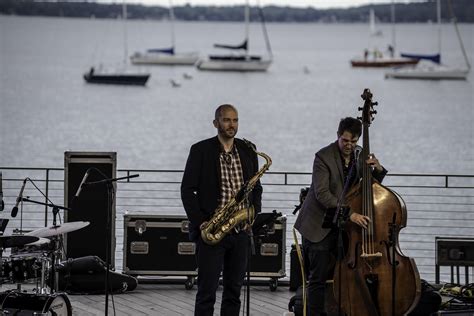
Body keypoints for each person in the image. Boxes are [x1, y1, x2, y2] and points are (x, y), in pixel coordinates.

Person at [294, 117, 387, 316]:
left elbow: (369, 188)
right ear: (338, 136)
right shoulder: (323, 157)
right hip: (318, 225)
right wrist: (351, 214)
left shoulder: (359, 155)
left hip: (342, 225)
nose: (349, 145)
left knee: (345, 274)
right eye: (345, 141)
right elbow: (323, 194)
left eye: (353, 142)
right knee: (318, 278)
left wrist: (377, 169)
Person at [181, 104, 262, 316]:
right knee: (206, 292)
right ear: (216, 123)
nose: (231, 125)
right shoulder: (200, 150)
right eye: (226, 120)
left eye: (235, 120)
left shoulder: (248, 150)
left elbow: (257, 187)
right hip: (213, 230)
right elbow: (187, 190)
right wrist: (201, 222)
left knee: (234, 292)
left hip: (240, 231)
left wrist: (254, 212)